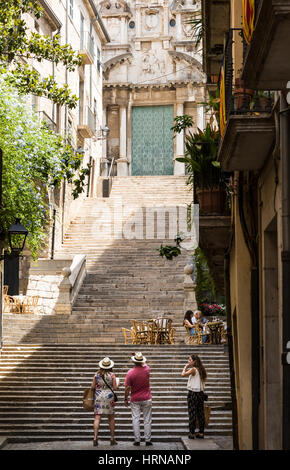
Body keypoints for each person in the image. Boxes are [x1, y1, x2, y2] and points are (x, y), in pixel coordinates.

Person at [124, 351, 153, 446]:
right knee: (147, 419)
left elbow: (127, 388)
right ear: (141, 361)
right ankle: (148, 440)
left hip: (135, 398)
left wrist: (125, 398)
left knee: (135, 419)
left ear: (133, 362)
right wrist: (139, 356)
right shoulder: (147, 369)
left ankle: (137, 440)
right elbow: (145, 364)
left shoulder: (130, 373)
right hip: (146, 397)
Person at [91, 356, 119, 446]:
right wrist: (118, 383)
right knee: (111, 418)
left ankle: (95, 438)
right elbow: (115, 388)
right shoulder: (112, 375)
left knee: (97, 417)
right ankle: (112, 439)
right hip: (109, 397)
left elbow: (92, 387)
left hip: (98, 397)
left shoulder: (96, 375)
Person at [181, 354, 207, 439]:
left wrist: (185, 366)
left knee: (192, 413)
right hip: (200, 394)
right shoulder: (202, 369)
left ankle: (192, 432)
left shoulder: (193, 369)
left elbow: (183, 374)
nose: (189, 361)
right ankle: (201, 432)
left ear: (194, 361)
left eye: (190, 360)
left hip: (193, 393)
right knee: (200, 413)